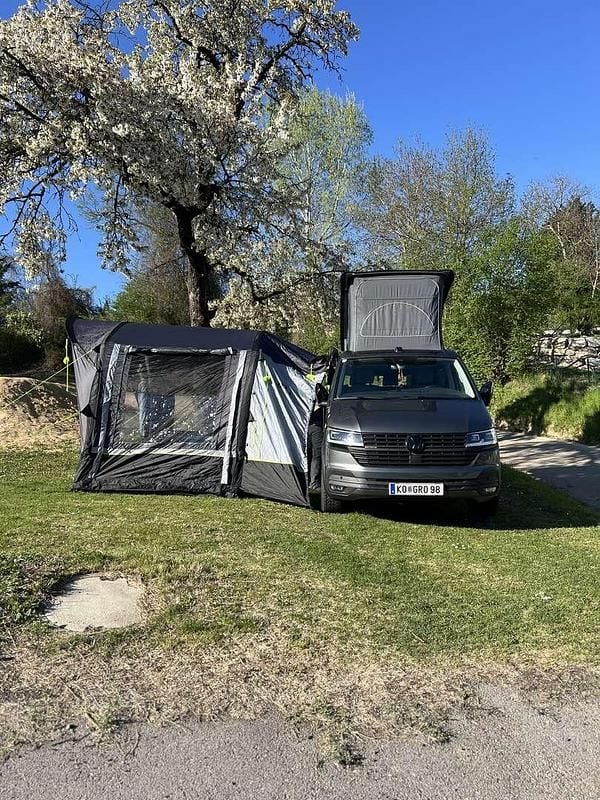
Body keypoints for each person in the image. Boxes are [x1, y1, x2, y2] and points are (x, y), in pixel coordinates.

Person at [308, 381, 327, 492]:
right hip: (316, 425)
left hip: (308, 424)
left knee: (312, 454)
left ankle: (312, 482)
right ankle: (314, 483)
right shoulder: (318, 390)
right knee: (317, 454)